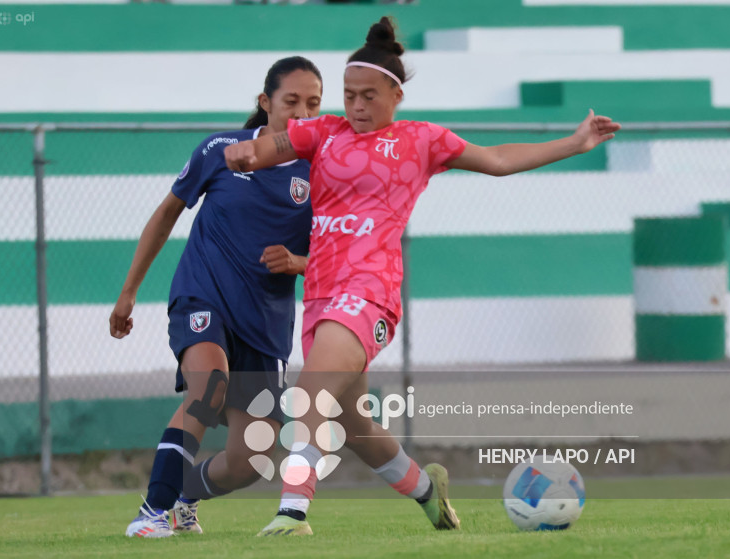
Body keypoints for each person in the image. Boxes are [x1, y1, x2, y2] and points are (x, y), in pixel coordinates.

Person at [224, 17, 621, 537]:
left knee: (310, 389)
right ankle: (428, 491)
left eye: (369, 95)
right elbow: (265, 147)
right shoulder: (323, 133)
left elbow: (498, 159)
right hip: (321, 294)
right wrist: (244, 153)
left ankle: (292, 512)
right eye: (348, 95)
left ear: (396, 95)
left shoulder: (421, 141)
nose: (357, 106)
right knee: (352, 425)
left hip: (371, 294)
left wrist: (575, 143)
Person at [109, 56, 323, 538]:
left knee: (253, 460)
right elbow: (166, 214)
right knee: (209, 387)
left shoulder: (321, 172)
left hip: (265, 324)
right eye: (292, 102)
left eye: (313, 104)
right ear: (266, 102)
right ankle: (151, 513)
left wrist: (298, 263)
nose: (303, 113)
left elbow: (338, 254)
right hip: (202, 296)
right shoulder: (222, 149)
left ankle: (186, 495)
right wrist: (128, 293)